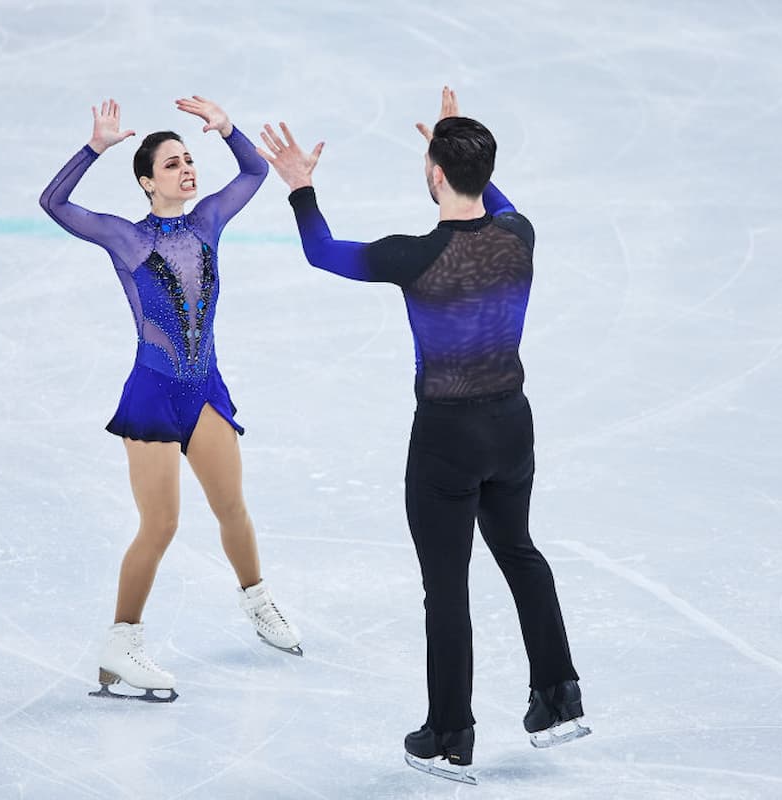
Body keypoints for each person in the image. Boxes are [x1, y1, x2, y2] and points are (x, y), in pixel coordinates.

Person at [257, 87, 588, 779]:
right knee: (520, 550)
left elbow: (322, 252)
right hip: (512, 427)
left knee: (448, 585)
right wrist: (457, 145)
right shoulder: (518, 233)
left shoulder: (412, 255)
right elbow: (496, 201)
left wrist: (301, 187)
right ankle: (559, 698)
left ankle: (449, 735)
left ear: (435, 173)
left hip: (446, 438)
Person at [39, 97, 302, 702]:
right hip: (154, 394)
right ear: (146, 181)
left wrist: (230, 130)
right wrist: (94, 147)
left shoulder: (208, 221)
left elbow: (256, 172)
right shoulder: (125, 239)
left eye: (189, 160)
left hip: (205, 390)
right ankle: (121, 640)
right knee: (160, 524)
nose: (187, 169)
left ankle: (257, 600)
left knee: (232, 508)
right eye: (172, 164)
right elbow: (54, 204)